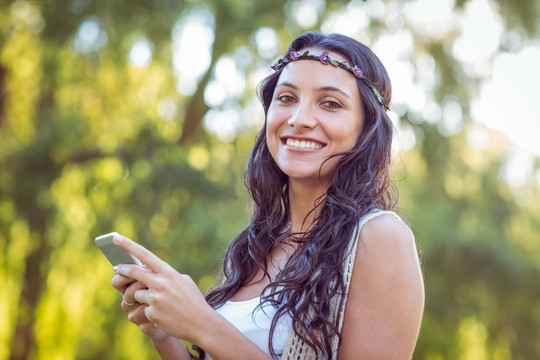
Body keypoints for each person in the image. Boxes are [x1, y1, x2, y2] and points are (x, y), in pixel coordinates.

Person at [111, 31, 424, 360]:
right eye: (287, 98)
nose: (298, 119)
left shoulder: (380, 236)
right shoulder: (255, 247)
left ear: (367, 127)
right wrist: (164, 332)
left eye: (330, 104)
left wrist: (201, 322)